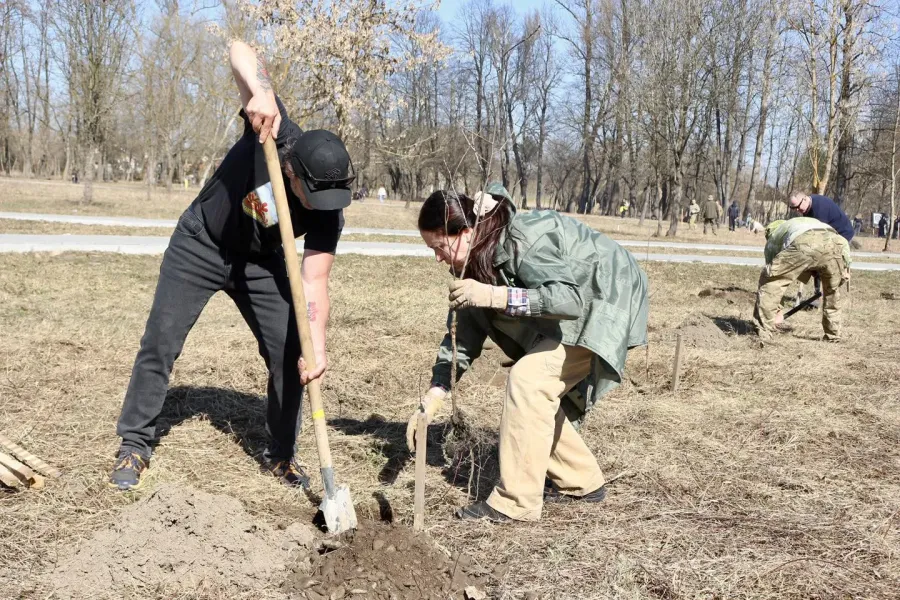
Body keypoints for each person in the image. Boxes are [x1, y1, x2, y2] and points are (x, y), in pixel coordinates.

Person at [108, 40, 353, 491]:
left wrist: (314, 347)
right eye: (312, 196)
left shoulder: (329, 207)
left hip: (261, 261)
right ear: (294, 172)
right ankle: (134, 444)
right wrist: (260, 91)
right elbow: (239, 48)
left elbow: (315, 281)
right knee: (160, 340)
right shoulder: (272, 129)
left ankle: (280, 454)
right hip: (201, 242)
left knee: (290, 349)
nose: (319, 207)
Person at [407, 183, 649, 523]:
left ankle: (516, 502)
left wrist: (496, 296)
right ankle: (581, 480)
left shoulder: (523, 239)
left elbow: (569, 300)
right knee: (538, 384)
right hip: (580, 303)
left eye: (439, 245)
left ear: (464, 232)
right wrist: (435, 393)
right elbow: (461, 336)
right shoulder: (471, 264)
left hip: (605, 294)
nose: (436, 257)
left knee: (530, 379)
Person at [753, 217, 850, 342]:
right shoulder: (798, 223)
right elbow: (843, 243)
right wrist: (846, 269)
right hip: (836, 242)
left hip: (806, 242)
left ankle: (763, 332)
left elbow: (774, 280)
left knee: (770, 281)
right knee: (832, 291)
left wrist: (777, 312)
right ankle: (834, 335)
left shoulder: (773, 238)